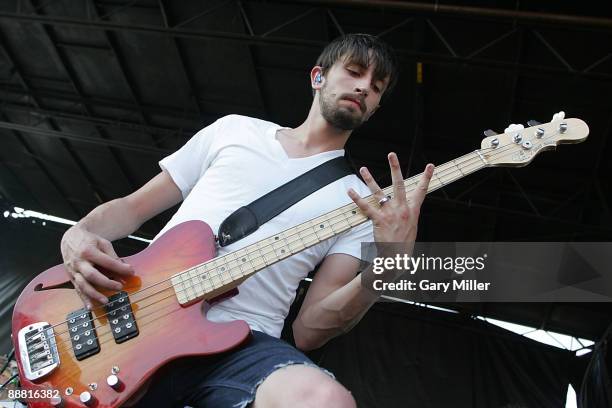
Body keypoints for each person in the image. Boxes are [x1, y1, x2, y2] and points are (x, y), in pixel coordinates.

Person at [60, 33, 434, 408]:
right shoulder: (235, 130)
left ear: (374, 109)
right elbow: (133, 208)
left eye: (376, 86)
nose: (363, 86)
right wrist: (79, 233)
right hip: (140, 319)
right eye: (354, 71)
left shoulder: (361, 203)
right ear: (318, 77)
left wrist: (388, 268)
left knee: (324, 401)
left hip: (239, 345)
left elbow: (308, 330)